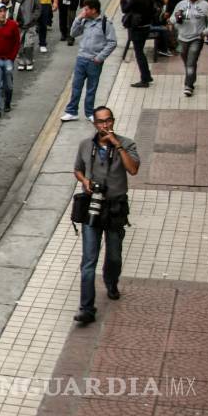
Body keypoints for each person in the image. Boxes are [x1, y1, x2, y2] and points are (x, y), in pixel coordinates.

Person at [72, 107, 140, 325]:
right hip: (92, 205)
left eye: (108, 121)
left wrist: (116, 145)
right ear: (95, 124)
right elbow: (77, 169)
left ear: (113, 121)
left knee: (113, 256)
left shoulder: (127, 143)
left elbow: (133, 169)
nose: (105, 125)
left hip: (115, 207)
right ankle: (87, 308)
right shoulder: (85, 145)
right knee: (88, 260)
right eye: (101, 122)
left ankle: (111, 282)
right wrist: (84, 181)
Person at [61, 0, 118, 123]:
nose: (84, 11)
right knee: (76, 86)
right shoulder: (84, 21)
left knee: (91, 89)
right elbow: (73, 33)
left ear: (94, 10)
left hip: (94, 61)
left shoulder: (106, 23)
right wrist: (78, 18)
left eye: (86, 9)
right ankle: (71, 112)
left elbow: (112, 42)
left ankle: (90, 113)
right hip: (81, 58)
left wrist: (100, 57)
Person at [169, 0, 208, 96]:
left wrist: (206, 32)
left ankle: (188, 86)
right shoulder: (181, 4)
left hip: (197, 38)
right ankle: (192, 77)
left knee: (191, 62)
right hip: (181, 38)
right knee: (187, 62)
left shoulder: (205, 5)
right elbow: (172, 19)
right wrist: (176, 18)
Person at [123, 0, 158, 88]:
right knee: (140, 52)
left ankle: (145, 79)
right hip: (147, 26)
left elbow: (124, 9)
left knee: (139, 54)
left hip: (137, 28)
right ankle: (147, 76)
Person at [11, 0, 42, 71]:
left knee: (29, 44)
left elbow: (38, 8)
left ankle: (29, 61)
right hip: (19, 24)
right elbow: (12, 7)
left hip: (30, 24)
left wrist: (33, 18)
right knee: (19, 43)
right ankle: (21, 61)